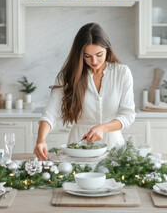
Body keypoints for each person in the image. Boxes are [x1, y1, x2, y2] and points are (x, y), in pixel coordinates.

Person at [34, 23, 136, 161]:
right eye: (87, 56)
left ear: (107, 49)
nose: (94, 61)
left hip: (114, 149)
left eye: (99, 54)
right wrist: (41, 140)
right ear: (79, 54)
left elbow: (128, 114)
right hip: (78, 150)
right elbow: (50, 113)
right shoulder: (68, 76)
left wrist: (103, 128)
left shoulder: (122, 73)